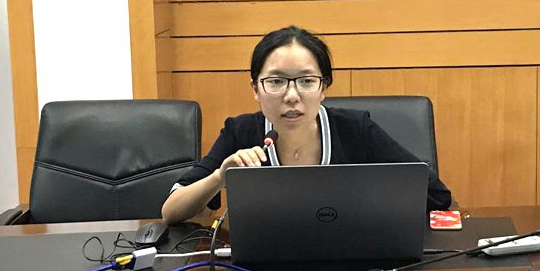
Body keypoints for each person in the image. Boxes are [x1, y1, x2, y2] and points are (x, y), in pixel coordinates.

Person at [161, 26, 451, 224]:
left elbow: (436, 195)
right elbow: (170, 211)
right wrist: (219, 177)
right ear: (255, 89)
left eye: (306, 81)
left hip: (350, 268)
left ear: (323, 88)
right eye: (276, 81)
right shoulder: (240, 132)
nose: (291, 96)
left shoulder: (355, 130)